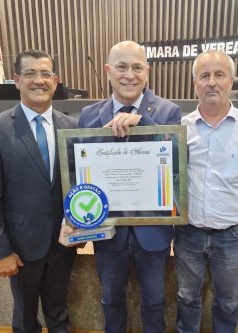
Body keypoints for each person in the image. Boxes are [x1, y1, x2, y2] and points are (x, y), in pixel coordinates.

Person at [78, 41, 181, 333]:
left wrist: (143, 122)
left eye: (137, 68)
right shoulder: (88, 115)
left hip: (153, 230)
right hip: (108, 230)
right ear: (109, 71)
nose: (129, 75)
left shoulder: (167, 111)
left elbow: (176, 161)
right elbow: (79, 170)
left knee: (155, 300)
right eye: (121, 67)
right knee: (111, 299)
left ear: (147, 72)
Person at [0, 49, 77, 333]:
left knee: (59, 314)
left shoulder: (72, 127)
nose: (38, 80)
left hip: (63, 245)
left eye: (45, 74)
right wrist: (0, 251)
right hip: (20, 249)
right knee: (24, 320)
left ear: (55, 81)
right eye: (30, 73)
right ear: (17, 80)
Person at [175, 50, 238, 333]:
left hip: (233, 235)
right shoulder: (181, 128)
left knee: (229, 301)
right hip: (188, 233)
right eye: (204, 76)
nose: (212, 82)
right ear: (195, 83)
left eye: (219, 75)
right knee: (186, 297)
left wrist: (232, 206)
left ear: (231, 81)